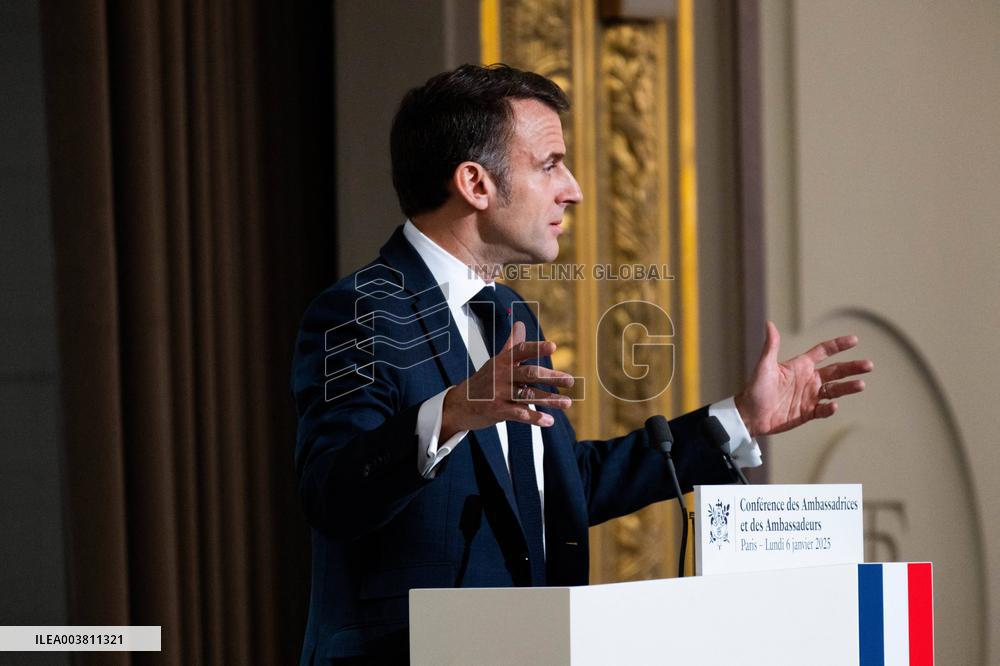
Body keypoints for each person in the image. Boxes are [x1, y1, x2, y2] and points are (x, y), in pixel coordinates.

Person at [291, 64, 872, 664]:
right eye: (549, 164)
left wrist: (739, 420)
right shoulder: (359, 312)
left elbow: (563, 485)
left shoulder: (507, 312)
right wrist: (450, 413)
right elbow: (330, 492)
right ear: (475, 183)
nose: (573, 188)